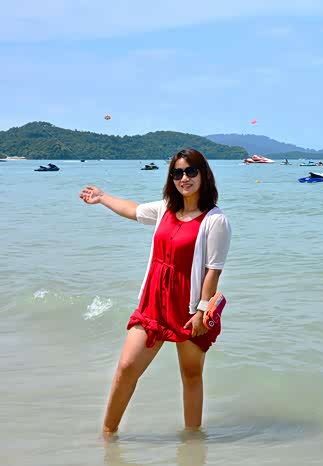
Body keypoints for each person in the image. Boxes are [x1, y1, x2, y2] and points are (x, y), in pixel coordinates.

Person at [79, 148, 232, 437]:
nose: (184, 178)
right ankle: (108, 435)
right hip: (154, 303)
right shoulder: (165, 209)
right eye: (177, 173)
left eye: (191, 171)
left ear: (204, 174)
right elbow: (133, 210)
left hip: (189, 309)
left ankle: (192, 444)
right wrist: (102, 197)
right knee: (127, 367)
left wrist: (201, 311)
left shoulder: (215, 220)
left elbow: (213, 270)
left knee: (191, 374)